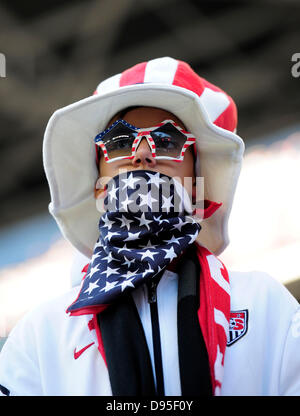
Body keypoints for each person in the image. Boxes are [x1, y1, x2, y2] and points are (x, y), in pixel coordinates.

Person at [1, 56, 300, 396]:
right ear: (98, 183)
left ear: (195, 184)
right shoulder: (41, 335)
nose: (142, 154)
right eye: (119, 141)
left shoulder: (264, 304)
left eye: (169, 140)